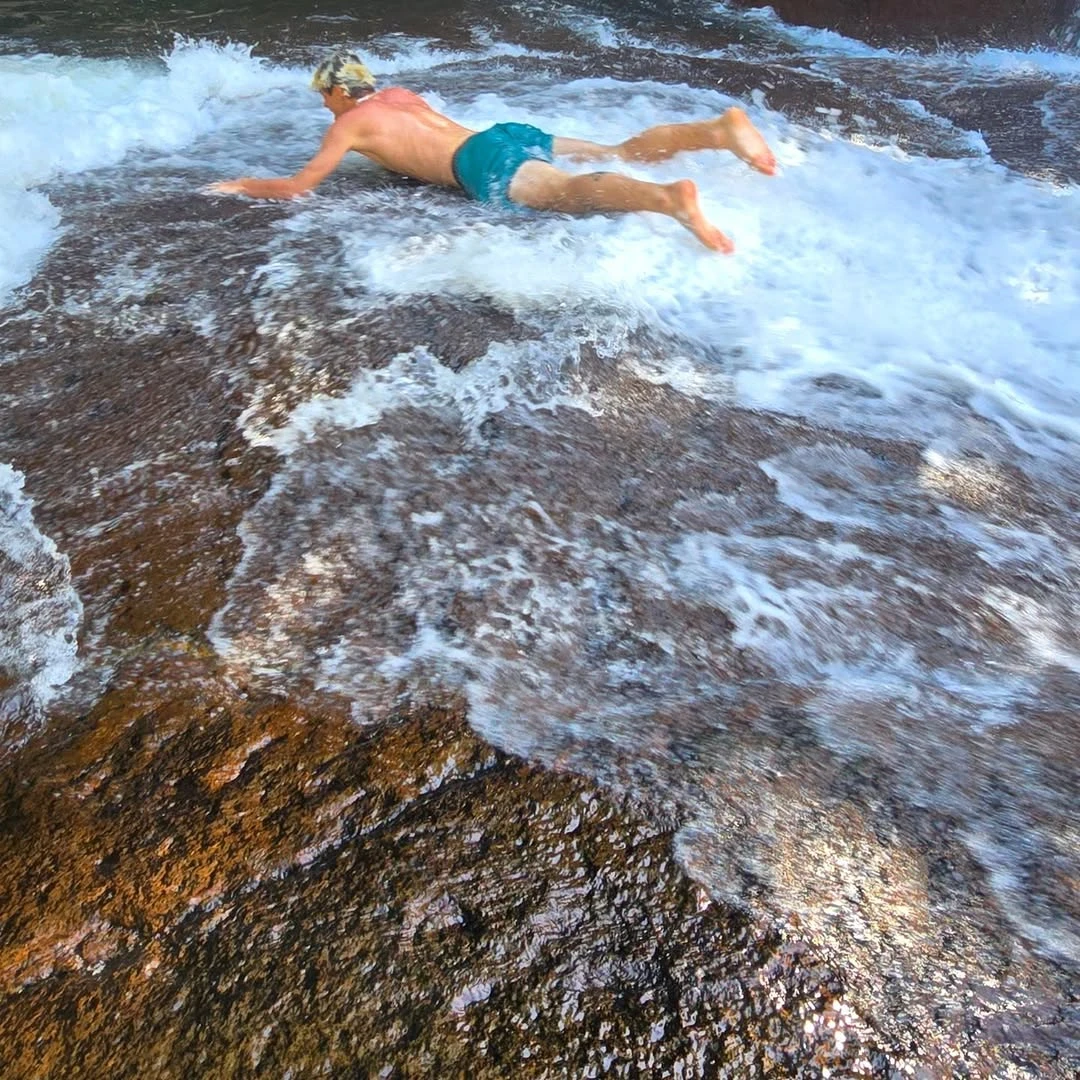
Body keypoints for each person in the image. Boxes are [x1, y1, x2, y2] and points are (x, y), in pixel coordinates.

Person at [208, 51, 777, 253]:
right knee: (617, 149)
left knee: (566, 194)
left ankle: (669, 201)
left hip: (481, 163)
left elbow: (297, 187)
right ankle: (718, 131)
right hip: (503, 134)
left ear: (336, 90)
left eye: (323, 96)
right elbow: (409, 144)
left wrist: (239, 186)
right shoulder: (399, 95)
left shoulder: (349, 124)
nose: (325, 107)